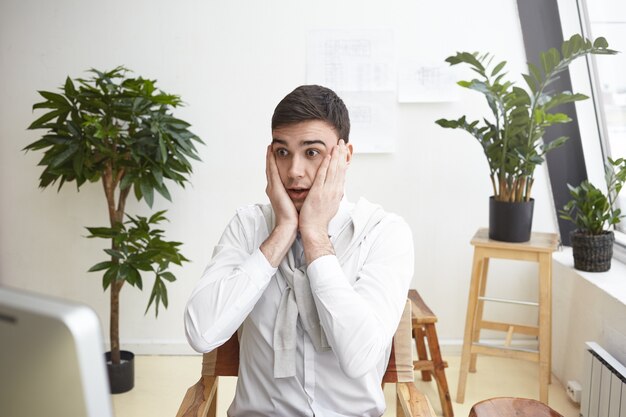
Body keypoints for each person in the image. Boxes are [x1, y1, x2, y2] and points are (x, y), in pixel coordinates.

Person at [184, 85, 414, 417]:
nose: (294, 171)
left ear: (344, 156)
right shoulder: (249, 226)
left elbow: (358, 357)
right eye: (282, 152)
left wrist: (315, 236)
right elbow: (201, 334)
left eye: (311, 152)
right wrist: (280, 235)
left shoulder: (383, 233)